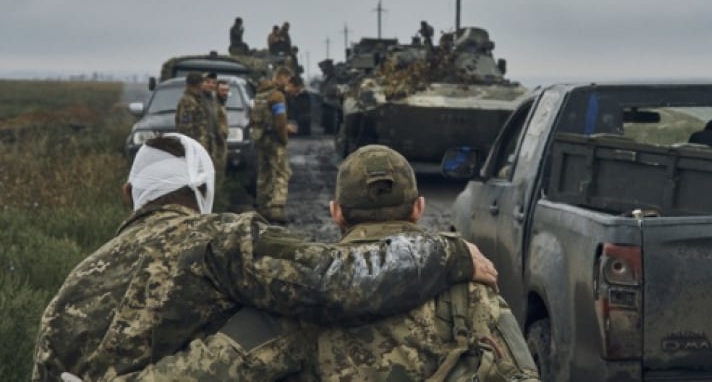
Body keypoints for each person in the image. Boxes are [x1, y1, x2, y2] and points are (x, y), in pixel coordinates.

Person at [31, 134, 498, 382]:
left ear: (129, 195)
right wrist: (446, 251)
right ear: (204, 191)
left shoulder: (68, 293)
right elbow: (336, 280)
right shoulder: (222, 240)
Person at [315, 144, 541, 381]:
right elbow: (521, 374)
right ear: (418, 208)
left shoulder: (303, 290)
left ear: (336, 212)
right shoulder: (466, 280)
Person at [249, 66, 296, 223]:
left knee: (264, 173)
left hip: (261, 139)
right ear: (281, 77)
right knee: (282, 172)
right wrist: (284, 139)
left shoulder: (260, 94)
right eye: (288, 80)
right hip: (274, 139)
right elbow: (280, 121)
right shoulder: (277, 96)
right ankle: (277, 207)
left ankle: (262, 206)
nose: (288, 84)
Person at [175, 72, 213, 154]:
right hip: (194, 148)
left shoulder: (197, 99)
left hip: (200, 147)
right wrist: (192, 146)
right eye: (203, 82)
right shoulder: (187, 102)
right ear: (198, 84)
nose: (204, 84)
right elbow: (186, 128)